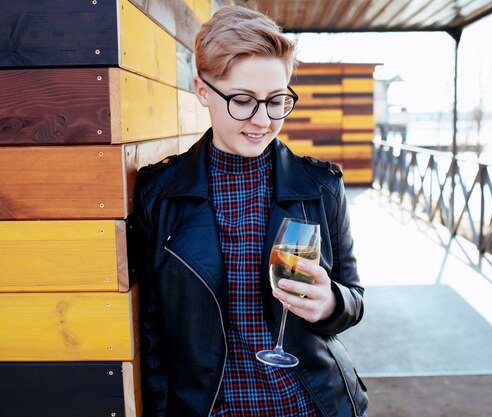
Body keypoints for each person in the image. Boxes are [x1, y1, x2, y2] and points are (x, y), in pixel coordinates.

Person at [127, 5, 368, 417]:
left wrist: (329, 303)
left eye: (277, 101)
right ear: (202, 90)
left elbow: (353, 300)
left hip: (308, 403)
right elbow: (153, 334)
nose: (263, 120)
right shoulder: (158, 195)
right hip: (213, 408)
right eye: (242, 101)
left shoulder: (322, 186)